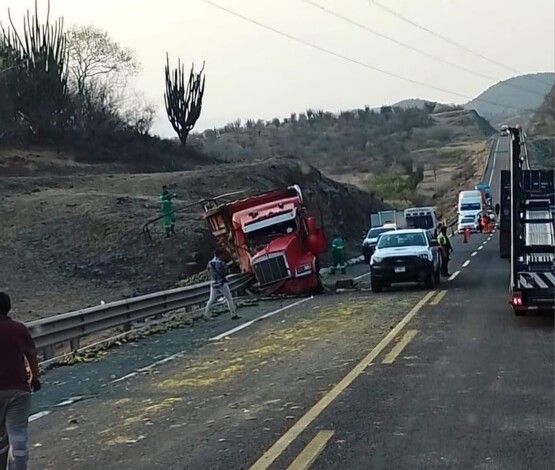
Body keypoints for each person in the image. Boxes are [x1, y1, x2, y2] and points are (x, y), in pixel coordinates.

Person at [0, 292, 41, 470]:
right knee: (18, 434)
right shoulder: (19, 328)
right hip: (18, 389)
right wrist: (34, 376)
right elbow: (31, 355)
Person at [204, 248, 240, 321]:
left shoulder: (210, 263)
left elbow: (208, 272)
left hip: (213, 283)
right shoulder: (220, 263)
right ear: (221, 255)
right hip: (222, 283)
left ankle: (206, 315)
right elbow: (224, 272)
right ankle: (233, 314)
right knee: (229, 298)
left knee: (211, 300)